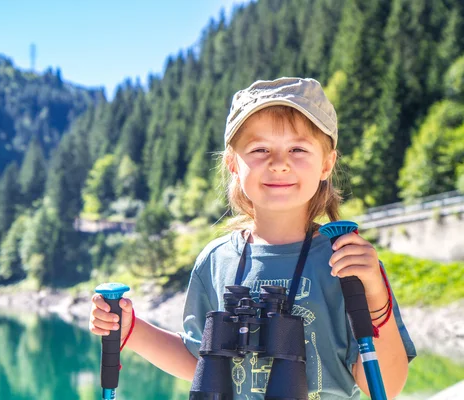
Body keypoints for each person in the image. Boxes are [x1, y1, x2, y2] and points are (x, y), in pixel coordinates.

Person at [89, 77, 417, 399]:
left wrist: (374, 293)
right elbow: (199, 364)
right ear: (233, 162)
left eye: (298, 149)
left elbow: (385, 387)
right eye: (260, 149)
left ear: (327, 164)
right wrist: (130, 329)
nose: (279, 164)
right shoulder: (216, 260)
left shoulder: (346, 260)